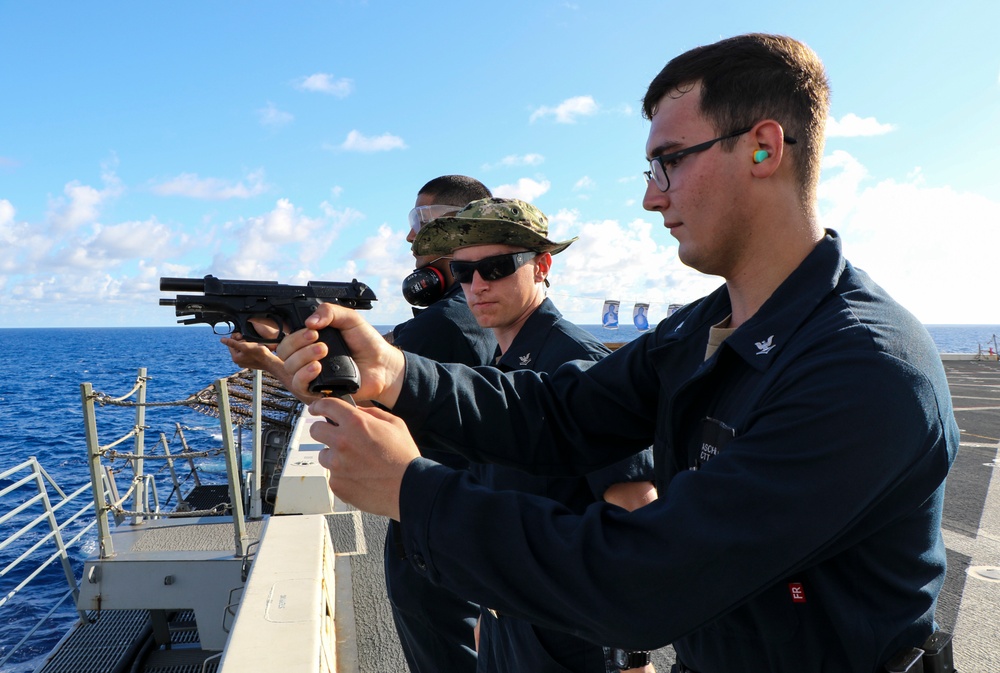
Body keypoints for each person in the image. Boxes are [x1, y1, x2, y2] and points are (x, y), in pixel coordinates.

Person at [277, 33, 958, 673]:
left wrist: (413, 490)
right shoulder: (707, 329)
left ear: (763, 148)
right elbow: (563, 411)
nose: (649, 195)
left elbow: (646, 579)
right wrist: (393, 372)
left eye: (669, 161)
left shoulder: (864, 370)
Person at [225, 175, 496, 673]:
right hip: (458, 505)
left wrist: (272, 360)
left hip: (433, 517)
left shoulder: (445, 322)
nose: (410, 238)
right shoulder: (465, 316)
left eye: (421, 222)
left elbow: (349, 400)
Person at [411, 196, 657, 673]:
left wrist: (632, 655)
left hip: (571, 639)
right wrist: (490, 611)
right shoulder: (502, 366)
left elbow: (635, 508)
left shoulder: (576, 364)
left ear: (542, 266)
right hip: (511, 626)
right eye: (464, 272)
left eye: (498, 267)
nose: (478, 285)